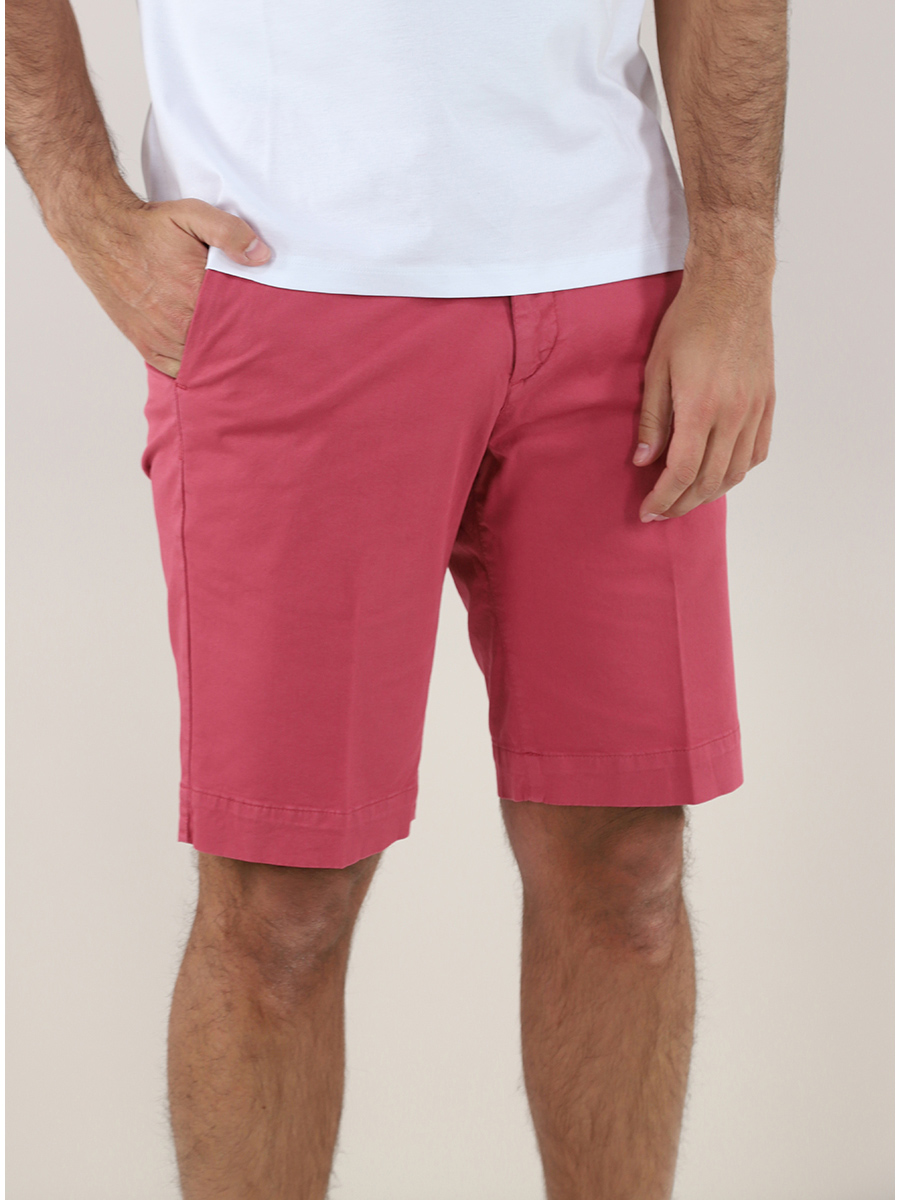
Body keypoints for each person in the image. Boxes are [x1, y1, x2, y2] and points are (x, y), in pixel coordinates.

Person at [6, 0, 786, 1193]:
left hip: (618, 291)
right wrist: (79, 200)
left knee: (630, 870)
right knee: (281, 904)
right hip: (289, 286)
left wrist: (734, 259)